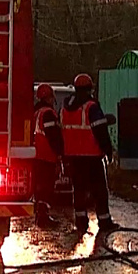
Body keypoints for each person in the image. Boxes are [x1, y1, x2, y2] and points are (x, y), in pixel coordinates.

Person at [60, 73, 119, 237]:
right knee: (99, 191)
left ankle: (80, 223)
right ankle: (104, 222)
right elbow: (100, 132)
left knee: (78, 190)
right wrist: (108, 150)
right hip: (92, 157)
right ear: (89, 88)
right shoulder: (91, 107)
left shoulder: (65, 108)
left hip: (73, 157)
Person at [33, 84, 65, 228]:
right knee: (47, 188)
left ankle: (40, 215)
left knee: (40, 189)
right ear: (50, 97)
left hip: (36, 156)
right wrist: (59, 154)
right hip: (47, 156)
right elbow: (54, 136)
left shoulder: (36, 112)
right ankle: (43, 217)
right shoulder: (48, 113)